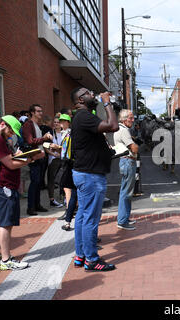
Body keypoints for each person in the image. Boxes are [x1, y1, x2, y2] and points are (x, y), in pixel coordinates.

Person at [0, 116, 45, 270]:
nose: (11, 135)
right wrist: (31, 159)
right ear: (3, 124)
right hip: (5, 185)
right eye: (10, 131)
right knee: (6, 223)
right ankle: (6, 259)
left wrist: (19, 156)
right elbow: (10, 164)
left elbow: (5, 160)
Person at [70, 87, 118, 272]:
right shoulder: (85, 116)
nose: (93, 94)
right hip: (90, 176)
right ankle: (91, 259)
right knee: (90, 218)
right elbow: (113, 126)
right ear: (81, 99)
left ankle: (80, 255)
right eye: (89, 93)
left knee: (82, 216)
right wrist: (107, 102)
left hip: (84, 173)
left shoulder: (82, 116)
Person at [21, 104, 53, 215]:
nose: (41, 113)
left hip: (40, 157)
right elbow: (30, 141)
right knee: (34, 182)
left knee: (38, 182)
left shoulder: (36, 125)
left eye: (41, 111)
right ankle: (30, 208)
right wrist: (44, 138)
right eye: (38, 111)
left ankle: (37, 205)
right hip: (34, 158)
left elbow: (38, 141)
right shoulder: (28, 125)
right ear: (32, 113)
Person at [114, 109, 139, 231]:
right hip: (128, 161)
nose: (133, 120)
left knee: (127, 192)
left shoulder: (120, 129)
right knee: (126, 193)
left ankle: (125, 218)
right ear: (124, 119)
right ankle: (122, 221)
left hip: (126, 161)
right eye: (130, 118)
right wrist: (136, 145)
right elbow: (134, 148)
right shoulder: (124, 131)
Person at [46, 116, 64, 208]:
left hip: (63, 158)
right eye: (55, 122)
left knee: (63, 178)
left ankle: (64, 196)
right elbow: (45, 147)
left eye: (58, 122)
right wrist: (53, 154)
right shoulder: (50, 134)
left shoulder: (64, 133)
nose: (56, 124)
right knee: (51, 179)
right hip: (53, 159)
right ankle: (52, 199)